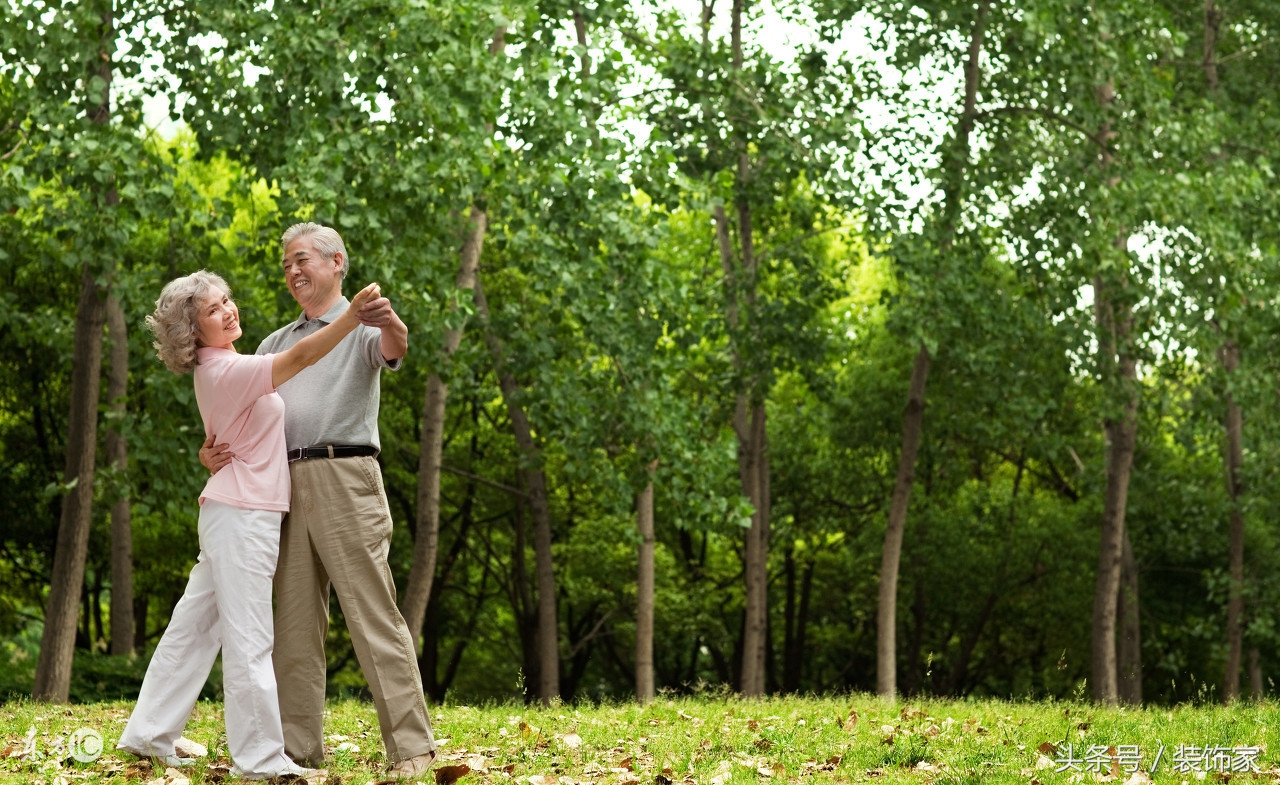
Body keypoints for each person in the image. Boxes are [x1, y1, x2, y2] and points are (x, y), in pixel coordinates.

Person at [120, 270, 381, 780]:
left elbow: (237, 428)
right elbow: (301, 356)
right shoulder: (226, 372)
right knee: (249, 638)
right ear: (193, 332)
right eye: (215, 310)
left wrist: (207, 450)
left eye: (228, 301)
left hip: (230, 510)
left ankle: (150, 734)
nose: (230, 310)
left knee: (193, 629)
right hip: (243, 517)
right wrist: (351, 317)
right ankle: (261, 759)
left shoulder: (226, 366)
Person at [200, 223, 437, 781]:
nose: (292, 272)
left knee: (372, 615)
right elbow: (236, 418)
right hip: (278, 486)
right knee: (294, 629)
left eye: (302, 259)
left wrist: (392, 323)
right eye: (285, 265)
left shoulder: (360, 324)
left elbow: (394, 347)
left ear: (337, 262)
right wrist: (209, 454)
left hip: (346, 476)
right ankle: (297, 752)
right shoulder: (273, 344)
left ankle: (412, 750)